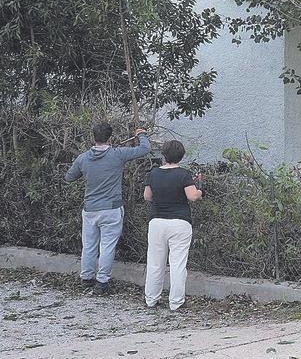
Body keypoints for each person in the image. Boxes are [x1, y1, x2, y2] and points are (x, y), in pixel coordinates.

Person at [64, 122, 150, 295]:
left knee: (88, 245)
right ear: (110, 138)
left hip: (90, 209)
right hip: (111, 209)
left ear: (93, 137)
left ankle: (86, 278)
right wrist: (141, 133)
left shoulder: (83, 158)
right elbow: (144, 149)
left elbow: (69, 177)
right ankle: (102, 281)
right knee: (107, 247)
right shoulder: (118, 154)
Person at [143, 140, 202, 310]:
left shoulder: (153, 173)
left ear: (164, 154)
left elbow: (147, 196)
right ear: (181, 156)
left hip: (156, 222)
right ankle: (176, 302)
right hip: (179, 222)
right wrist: (199, 191)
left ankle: (151, 299)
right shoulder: (184, 174)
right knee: (177, 263)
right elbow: (191, 196)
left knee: (155, 262)